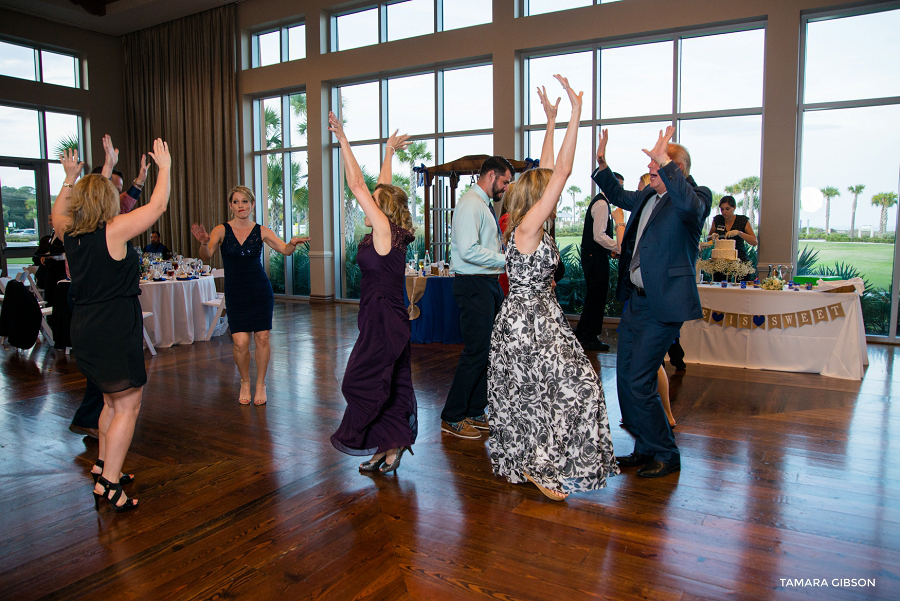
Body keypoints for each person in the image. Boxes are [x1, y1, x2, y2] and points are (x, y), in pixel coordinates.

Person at [488, 76, 618, 502]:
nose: (556, 195)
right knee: (551, 391)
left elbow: (546, 172)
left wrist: (549, 122)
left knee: (557, 390)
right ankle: (537, 464)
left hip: (544, 319)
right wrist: (577, 115)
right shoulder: (525, 228)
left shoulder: (536, 225)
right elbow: (558, 172)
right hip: (526, 325)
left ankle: (540, 460)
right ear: (537, 200)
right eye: (549, 194)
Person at [53, 136, 171, 512]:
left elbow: (59, 209)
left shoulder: (70, 233)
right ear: (105, 201)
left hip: (85, 325)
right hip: (113, 326)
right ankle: (108, 484)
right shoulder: (113, 231)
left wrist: (69, 177)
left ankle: (105, 465)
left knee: (109, 400)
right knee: (128, 405)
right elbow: (158, 205)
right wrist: (165, 168)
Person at [593, 125, 711, 478]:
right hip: (636, 303)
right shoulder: (647, 197)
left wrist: (667, 164)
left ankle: (666, 452)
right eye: (650, 169)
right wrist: (601, 162)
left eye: (657, 169)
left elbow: (691, 206)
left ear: (678, 171)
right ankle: (644, 445)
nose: (650, 173)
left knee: (640, 379)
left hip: (664, 306)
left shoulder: (694, 197)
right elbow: (616, 193)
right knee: (626, 377)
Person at [328, 114, 418, 474]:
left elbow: (358, 186)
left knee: (359, 381)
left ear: (381, 209)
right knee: (390, 382)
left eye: (373, 201)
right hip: (381, 316)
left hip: (383, 319)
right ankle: (390, 446)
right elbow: (382, 186)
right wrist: (388, 153)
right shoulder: (389, 230)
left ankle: (389, 443)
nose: (366, 203)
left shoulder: (384, 231)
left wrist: (343, 140)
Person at [191, 188, 308, 406]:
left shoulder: (261, 230)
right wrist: (202, 242)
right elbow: (206, 254)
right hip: (236, 292)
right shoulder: (221, 230)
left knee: (262, 337)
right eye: (236, 202)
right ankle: (245, 381)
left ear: (252, 205)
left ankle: (260, 383)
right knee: (240, 341)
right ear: (230, 206)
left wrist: (292, 243)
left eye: (245, 201)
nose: (241, 205)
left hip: (259, 290)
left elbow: (284, 249)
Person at [440, 154, 514, 440]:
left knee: (488, 350)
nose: (506, 187)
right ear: (491, 175)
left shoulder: (482, 204)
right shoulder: (471, 205)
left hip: (487, 283)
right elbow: (469, 251)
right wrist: (506, 260)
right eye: (505, 181)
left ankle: (474, 409)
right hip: (473, 284)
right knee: (475, 351)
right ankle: (453, 415)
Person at [574, 169, 624, 352]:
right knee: (597, 297)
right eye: (619, 188)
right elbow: (599, 236)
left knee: (594, 297)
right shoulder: (602, 205)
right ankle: (589, 337)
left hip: (593, 256)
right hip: (594, 258)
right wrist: (618, 247)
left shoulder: (601, 203)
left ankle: (583, 333)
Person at [706, 195, 758, 281]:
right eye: (722, 209)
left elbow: (754, 241)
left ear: (734, 207)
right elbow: (708, 238)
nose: (724, 212)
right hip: (721, 261)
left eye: (727, 209)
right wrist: (712, 236)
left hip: (739, 259)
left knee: (741, 288)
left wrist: (739, 233)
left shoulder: (742, 220)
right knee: (721, 287)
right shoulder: (718, 219)